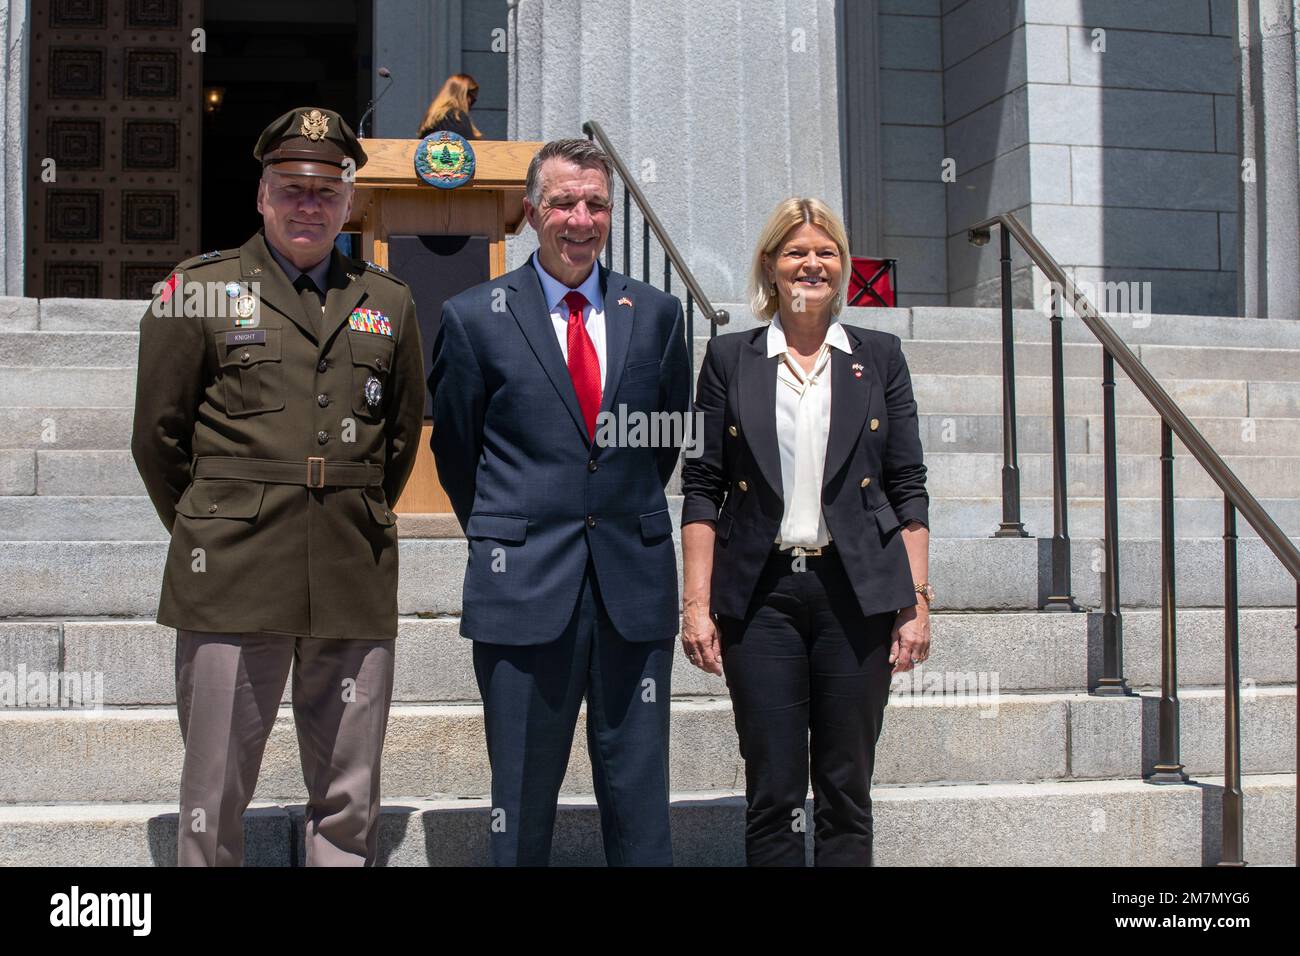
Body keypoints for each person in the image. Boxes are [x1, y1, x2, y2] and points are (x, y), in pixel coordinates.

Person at [131, 106, 426, 866]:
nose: (309, 205)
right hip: (231, 568)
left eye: (326, 191)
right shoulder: (197, 291)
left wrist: (350, 506)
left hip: (349, 568)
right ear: (261, 196)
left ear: (348, 203)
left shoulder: (387, 301)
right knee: (215, 788)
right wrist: (211, 521)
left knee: (349, 796)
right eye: (292, 188)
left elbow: (398, 436)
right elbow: (157, 436)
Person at [428, 138, 690, 866]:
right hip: (522, 587)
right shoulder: (474, 315)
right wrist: (506, 532)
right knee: (519, 797)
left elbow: (660, 443)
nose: (581, 219)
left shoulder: (659, 315)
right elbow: (457, 451)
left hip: (630, 588)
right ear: (532, 212)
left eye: (596, 204)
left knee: (641, 803)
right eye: (564, 203)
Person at [679, 197, 932, 867]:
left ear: (843, 266)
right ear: (771, 265)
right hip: (760, 598)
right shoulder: (730, 358)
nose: (811, 264)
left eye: (825, 252)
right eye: (796, 252)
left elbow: (908, 486)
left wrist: (917, 603)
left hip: (858, 594)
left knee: (847, 788)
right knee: (774, 789)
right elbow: (702, 485)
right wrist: (696, 604)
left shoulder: (878, 356)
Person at [417, 73, 482, 139]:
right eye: (472, 98)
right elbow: (467, 146)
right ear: (463, 95)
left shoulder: (433, 118)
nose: (471, 103)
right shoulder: (455, 117)